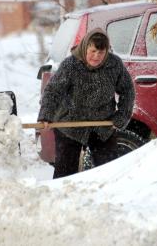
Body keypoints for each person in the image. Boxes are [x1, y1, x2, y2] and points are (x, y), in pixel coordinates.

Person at [38, 28, 135, 179]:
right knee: (65, 172)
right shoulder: (70, 65)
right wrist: (46, 116)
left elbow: (128, 90)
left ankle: (108, 197)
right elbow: (53, 91)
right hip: (69, 123)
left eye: (100, 53)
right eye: (93, 51)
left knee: (109, 170)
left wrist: (122, 115)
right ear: (85, 47)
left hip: (102, 124)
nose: (96, 57)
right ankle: (63, 198)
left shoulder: (114, 65)